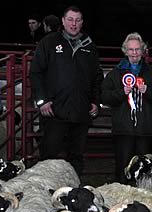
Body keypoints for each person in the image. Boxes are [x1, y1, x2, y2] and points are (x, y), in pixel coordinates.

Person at [30, 6, 103, 176]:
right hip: (55, 111)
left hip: (80, 111)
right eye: (70, 19)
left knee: (76, 156)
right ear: (63, 21)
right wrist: (42, 100)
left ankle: (75, 194)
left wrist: (95, 101)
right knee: (49, 156)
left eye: (77, 20)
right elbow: (36, 72)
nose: (74, 24)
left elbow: (97, 76)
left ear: (82, 22)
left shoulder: (89, 45)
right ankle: (47, 192)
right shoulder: (48, 43)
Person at [101, 32, 152, 184]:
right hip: (123, 130)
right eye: (131, 50)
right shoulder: (115, 75)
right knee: (123, 169)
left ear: (143, 51)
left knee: (145, 170)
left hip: (145, 130)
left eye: (137, 49)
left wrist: (147, 91)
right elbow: (104, 97)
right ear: (125, 51)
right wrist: (121, 93)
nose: (134, 53)